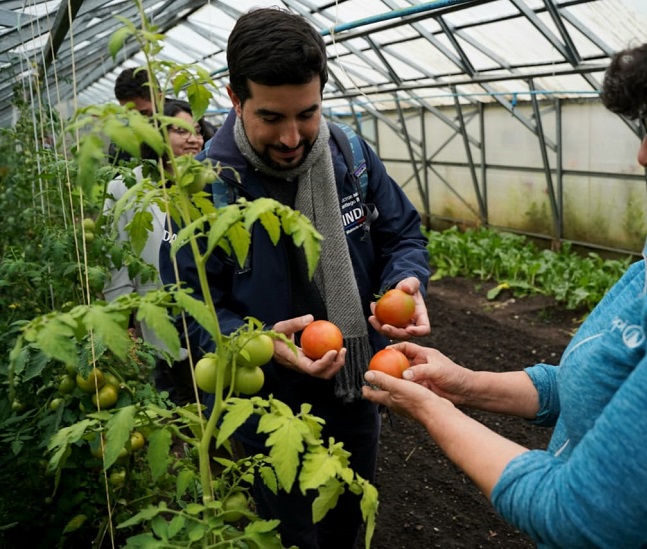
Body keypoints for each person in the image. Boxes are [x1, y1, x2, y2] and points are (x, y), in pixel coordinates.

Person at [362, 0, 647, 546]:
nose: (645, 154)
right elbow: (599, 390)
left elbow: (576, 515)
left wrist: (432, 411)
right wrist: (464, 385)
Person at [158, 8, 430, 549]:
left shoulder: (349, 155)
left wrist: (405, 281)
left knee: (347, 517)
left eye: (306, 114)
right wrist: (255, 342)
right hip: (263, 403)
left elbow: (403, 234)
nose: (291, 137)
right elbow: (184, 306)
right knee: (289, 531)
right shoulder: (205, 189)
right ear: (235, 99)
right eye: (271, 117)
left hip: (357, 380)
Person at [104, 99, 204, 405]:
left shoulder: (209, 180)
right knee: (175, 387)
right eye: (180, 130)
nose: (193, 138)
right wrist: (123, 321)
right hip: (158, 308)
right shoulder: (127, 187)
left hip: (209, 305)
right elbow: (116, 257)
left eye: (197, 130)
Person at [109, 67, 156, 165]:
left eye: (143, 113)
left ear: (160, 99)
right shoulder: (121, 143)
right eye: (129, 115)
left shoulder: (186, 119)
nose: (136, 122)